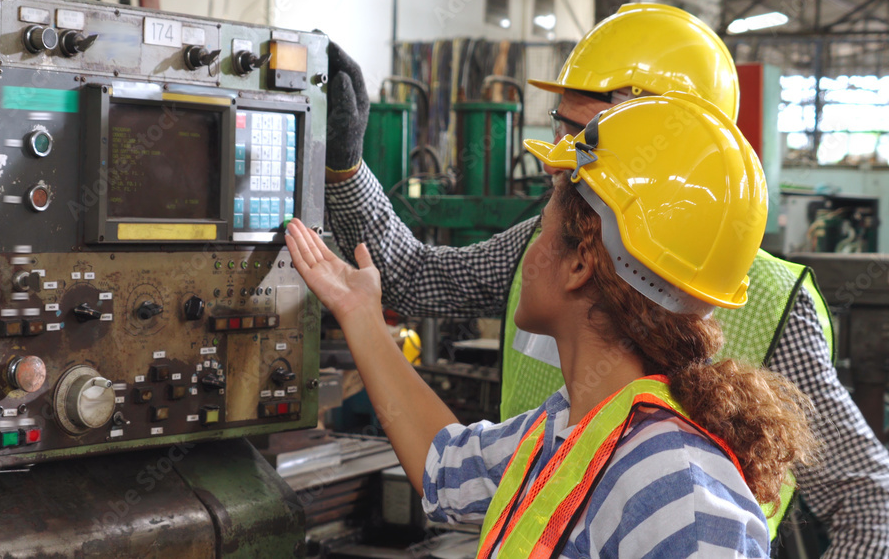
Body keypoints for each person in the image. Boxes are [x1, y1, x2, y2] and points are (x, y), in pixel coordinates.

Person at [323, 4, 889, 556]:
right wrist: (345, 169)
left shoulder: (686, 502)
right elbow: (417, 285)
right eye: (559, 127)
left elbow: (867, 501)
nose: (554, 162)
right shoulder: (555, 429)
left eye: (581, 134)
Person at [290, 93, 816, 557]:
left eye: (542, 229)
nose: (528, 249)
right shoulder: (569, 429)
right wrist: (359, 311)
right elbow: (444, 469)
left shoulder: (682, 498)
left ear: (580, 263)